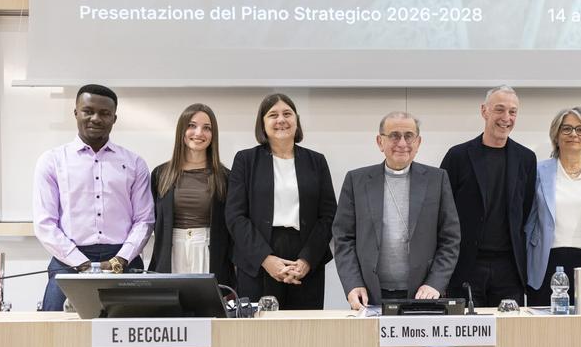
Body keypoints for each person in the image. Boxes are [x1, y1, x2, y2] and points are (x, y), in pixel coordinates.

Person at [32, 84, 154, 311]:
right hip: (68, 259)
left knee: (131, 329)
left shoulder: (134, 163)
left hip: (123, 259)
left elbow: (144, 220)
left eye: (104, 113)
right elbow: (45, 223)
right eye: (88, 111)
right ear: (76, 113)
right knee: (53, 328)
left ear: (114, 118)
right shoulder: (52, 161)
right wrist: (81, 263)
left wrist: (120, 259)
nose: (96, 118)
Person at [332, 111, 461, 309]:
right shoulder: (356, 181)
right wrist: (353, 284)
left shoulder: (437, 180)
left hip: (423, 293)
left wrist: (435, 283)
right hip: (369, 294)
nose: (402, 143)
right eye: (394, 136)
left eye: (409, 136)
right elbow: (343, 238)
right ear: (380, 142)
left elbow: (450, 239)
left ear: (418, 142)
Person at [225, 93, 336, 309]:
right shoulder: (245, 160)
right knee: (259, 327)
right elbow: (235, 216)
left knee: (304, 328)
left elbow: (329, 215)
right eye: (273, 115)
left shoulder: (316, 161)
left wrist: (307, 260)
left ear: (297, 120)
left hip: (305, 259)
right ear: (262, 124)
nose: (281, 120)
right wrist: (265, 259)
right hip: (258, 258)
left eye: (287, 114)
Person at [440, 85, 536, 307]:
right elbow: (442, 213)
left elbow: (525, 210)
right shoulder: (458, 156)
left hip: (509, 269)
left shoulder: (526, 159)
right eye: (499, 109)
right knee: (466, 328)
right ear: (484, 111)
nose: (506, 118)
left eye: (513, 112)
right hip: (466, 266)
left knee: (510, 329)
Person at [524, 107, 581, 305]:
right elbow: (529, 220)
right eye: (566, 129)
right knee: (545, 322)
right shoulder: (538, 171)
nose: (573, 134)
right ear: (556, 135)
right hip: (547, 262)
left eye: (580, 129)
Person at [148, 104, 233, 288]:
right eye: (192, 125)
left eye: (207, 128)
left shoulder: (225, 177)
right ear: (182, 130)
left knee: (207, 304)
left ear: (213, 134)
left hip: (208, 252)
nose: (199, 133)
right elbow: (151, 220)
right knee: (171, 304)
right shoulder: (160, 174)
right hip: (171, 252)